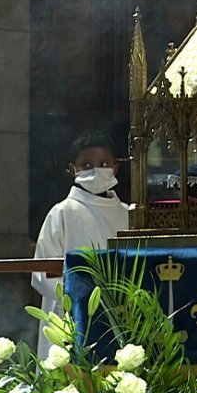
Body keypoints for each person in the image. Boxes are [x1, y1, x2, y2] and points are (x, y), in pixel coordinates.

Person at [32, 131, 129, 358]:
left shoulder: (128, 215)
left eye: (103, 163)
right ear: (71, 169)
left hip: (121, 315)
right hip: (71, 317)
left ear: (115, 168)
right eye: (86, 164)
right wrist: (77, 301)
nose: (96, 170)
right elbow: (42, 275)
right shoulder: (62, 213)